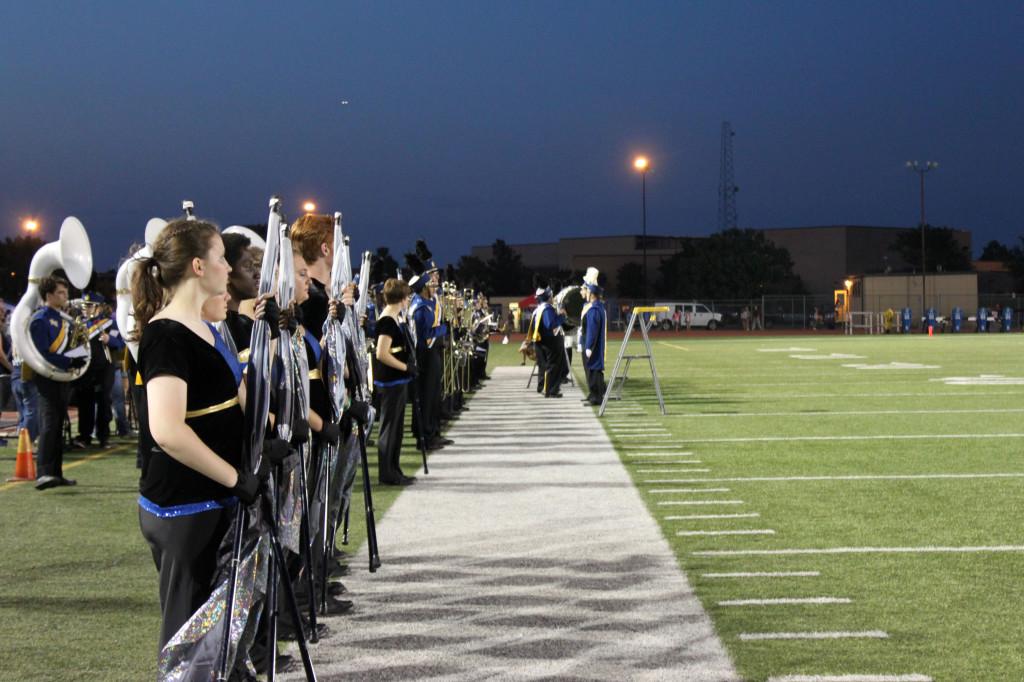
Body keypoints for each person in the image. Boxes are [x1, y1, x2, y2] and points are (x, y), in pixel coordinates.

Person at [132, 218, 264, 653]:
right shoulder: (165, 334)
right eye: (221, 259)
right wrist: (233, 477)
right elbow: (167, 430)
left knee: (218, 631)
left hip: (216, 498)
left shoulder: (207, 326)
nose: (229, 268)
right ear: (197, 267)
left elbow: (232, 396)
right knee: (188, 638)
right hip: (185, 505)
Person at [29, 276, 86, 490]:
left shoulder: (62, 319)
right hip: (48, 377)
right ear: (49, 295)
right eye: (61, 292)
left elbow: (63, 349)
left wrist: (77, 355)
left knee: (59, 424)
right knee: (50, 423)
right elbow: (42, 353)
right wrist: (70, 359)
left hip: (62, 376)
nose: (66, 296)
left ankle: (56, 473)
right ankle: (44, 473)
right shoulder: (41, 319)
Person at [373, 278, 416, 485]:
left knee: (397, 428)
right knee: (389, 429)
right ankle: (386, 474)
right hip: (391, 382)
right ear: (401, 298)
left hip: (397, 380)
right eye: (407, 297)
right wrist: (405, 367)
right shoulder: (387, 320)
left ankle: (394, 469)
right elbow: (381, 353)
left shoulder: (395, 318)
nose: (408, 301)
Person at [580, 280, 607, 405]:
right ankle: (596, 396)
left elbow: (592, 330)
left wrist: (589, 346)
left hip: (593, 346)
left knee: (593, 370)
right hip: (597, 345)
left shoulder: (594, 309)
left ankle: (596, 398)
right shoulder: (599, 307)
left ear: (591, 294)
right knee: (596, 370)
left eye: (588, 291)